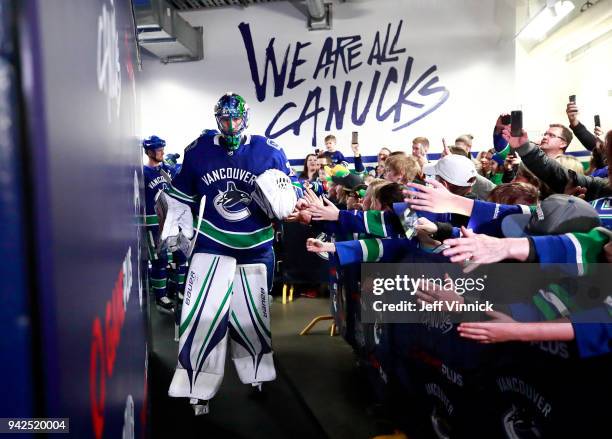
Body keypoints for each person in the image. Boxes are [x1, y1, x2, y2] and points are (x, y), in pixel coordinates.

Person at [160, 93, 300, 415]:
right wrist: (175, 228)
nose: (231, 125)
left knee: (252, 316)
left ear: (246, 118)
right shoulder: (199, 150)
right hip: (212, 242)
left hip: (257, 246)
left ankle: (256, 372)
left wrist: (285, 200)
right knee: (203, 315)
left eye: (236, 119)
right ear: (216, 119)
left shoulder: (270, 151)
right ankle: (197, 384)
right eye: (225, 119)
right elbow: (179, 196)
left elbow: (287, 197)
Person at [142, 135, 180, 314]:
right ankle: (160, 298)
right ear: (149, 152)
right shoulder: (143, 172)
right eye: (158, 150)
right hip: (152, 222)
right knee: (159, 259)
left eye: (162, 149)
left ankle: (174, 290)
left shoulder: (166, 169)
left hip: (170, 221)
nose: (162, 152)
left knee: (178, 257)